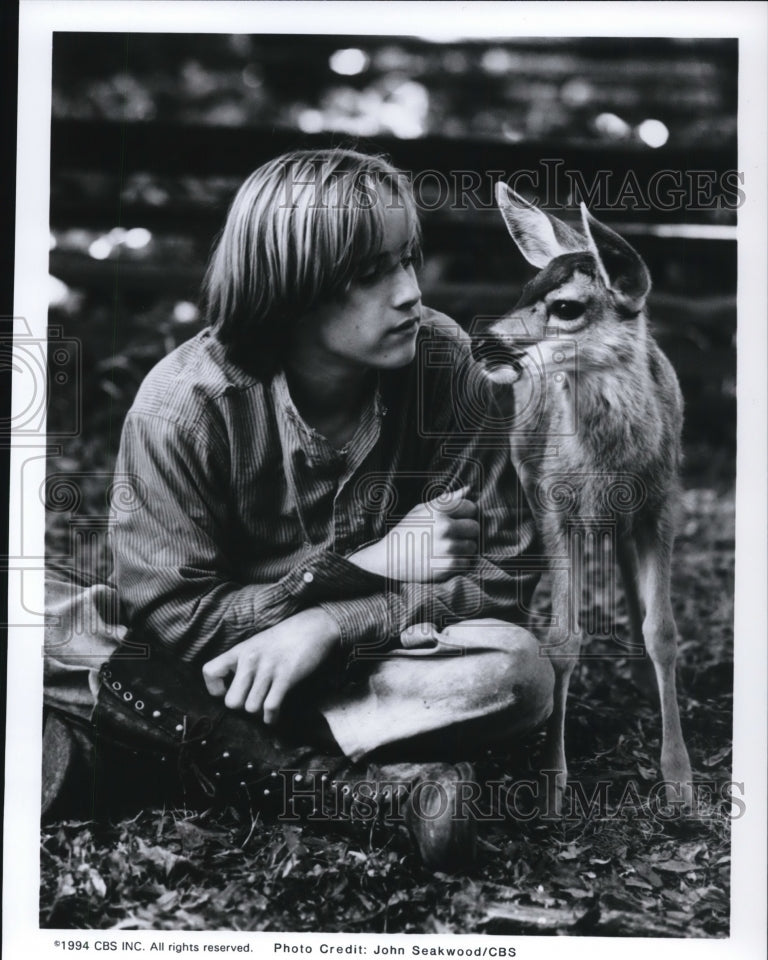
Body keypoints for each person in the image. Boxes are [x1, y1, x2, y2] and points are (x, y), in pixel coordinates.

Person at [43, 148, 554, 872]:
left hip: (360, 671)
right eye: (371, 273)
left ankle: (136, 753)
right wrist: (363, 569)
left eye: (408, 259)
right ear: (289, 289)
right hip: (209, 670)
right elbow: (170, 622)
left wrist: (332, 625)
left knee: (515, 672)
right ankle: (336, 788)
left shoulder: (446, 370)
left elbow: (503, 577)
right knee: (33, 605)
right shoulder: (182, 407)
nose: (409, 291)